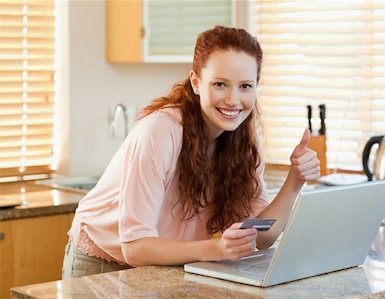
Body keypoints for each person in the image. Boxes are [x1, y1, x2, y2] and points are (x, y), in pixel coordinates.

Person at [62, 25, 320, 279]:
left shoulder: (245, 139)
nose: (233, 100)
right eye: (220, 84)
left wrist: (295, 181)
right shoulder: (161, 130)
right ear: (196, 82)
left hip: (167, 261)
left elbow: (262, 237)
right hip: (102, 261)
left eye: (245, 86)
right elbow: (135, 247)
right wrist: (217, 249)